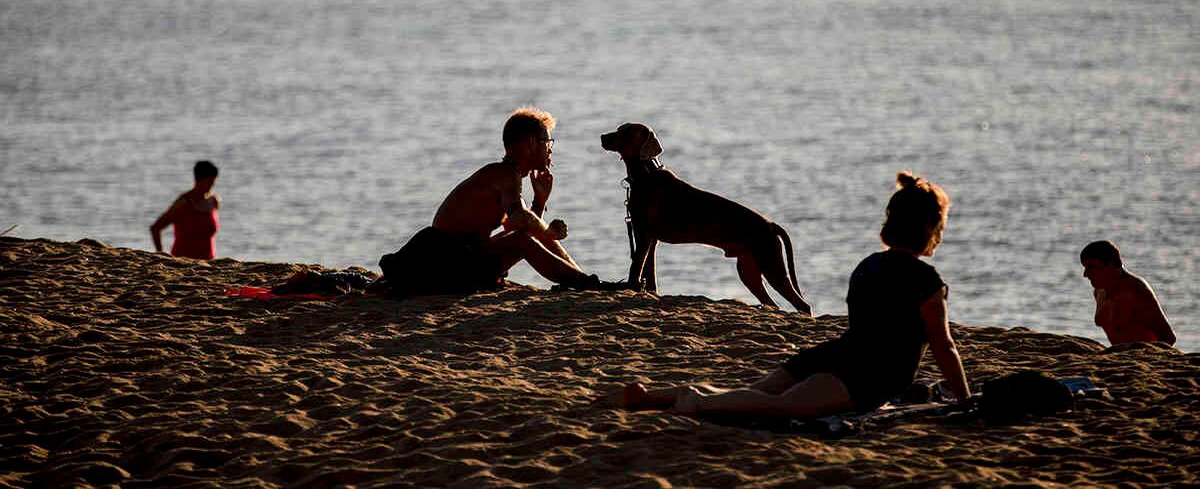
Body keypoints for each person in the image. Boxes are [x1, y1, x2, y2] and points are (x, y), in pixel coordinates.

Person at [611, 171, 971, 419]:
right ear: (929, 230)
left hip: (832, 354)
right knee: (782, 407)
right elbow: (944, 347)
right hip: (864, 376)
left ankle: (657, 396)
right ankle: (696, 404)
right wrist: (965, 400)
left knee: (759, 391)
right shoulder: (927, 282)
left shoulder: (868, 266)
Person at [378, 108, 614, 296]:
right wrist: (550, 230)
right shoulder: (504, 174)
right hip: (444, 259)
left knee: (527, 237)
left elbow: (521, 226)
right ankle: (587, 284)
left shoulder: (508, 178)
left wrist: (539, 202)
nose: (550, 150)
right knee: (525, 239)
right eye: (547, 142)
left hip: (463, 256)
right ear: (531, 143)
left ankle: (585, 280)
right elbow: (521, 221)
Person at [1080, 240, 1175, 346]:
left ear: (1110, 264)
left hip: (1142, 358)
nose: (1085, 274)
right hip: (1119, 357)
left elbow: (1169, 338)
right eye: (1085, 268)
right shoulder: (1099, 292)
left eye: (1091, 267)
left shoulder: (1136, 291)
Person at [150, 160, 221, 260]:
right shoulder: (183, 203)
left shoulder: (214, 201)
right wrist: (160, 254)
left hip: (208, 263)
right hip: (183, 262)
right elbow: (155, 228)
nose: (212, 186)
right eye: (209, 182)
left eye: (213, 182)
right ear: (199, 180)